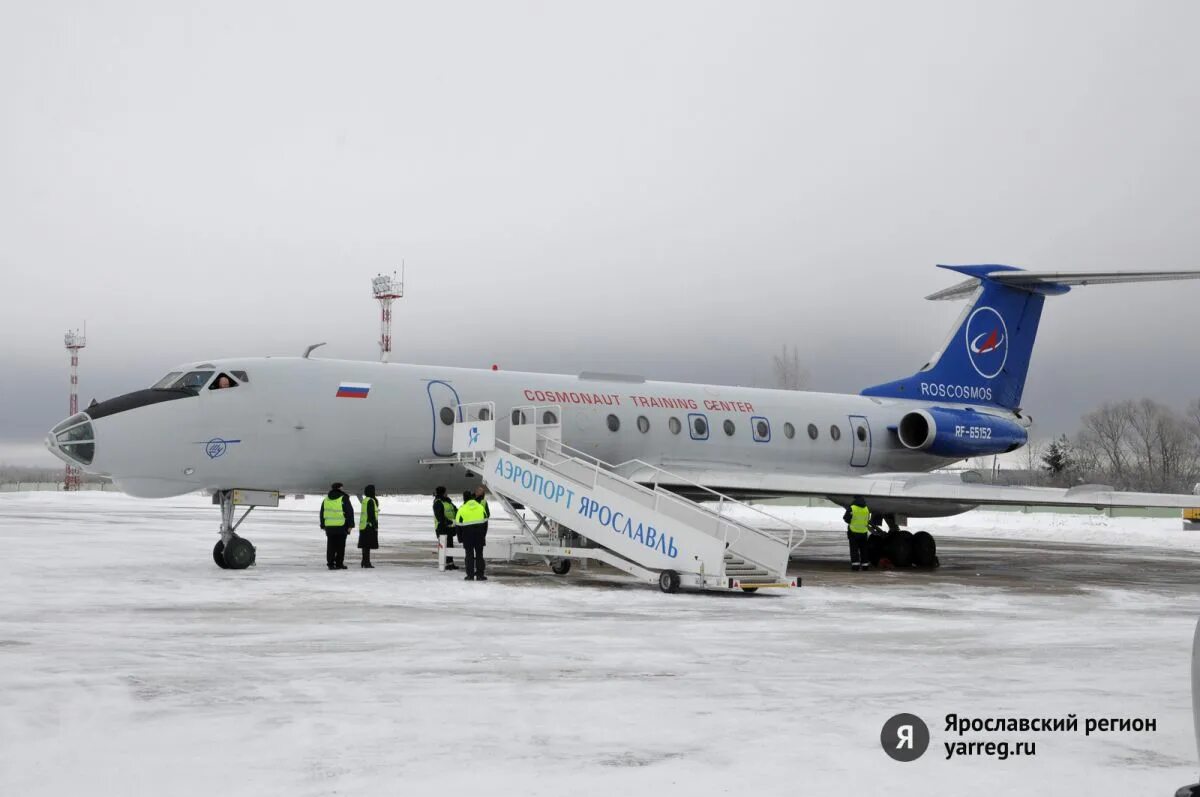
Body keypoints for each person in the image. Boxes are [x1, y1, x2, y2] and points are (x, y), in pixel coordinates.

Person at [319, 482, 354, 570]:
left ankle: (330, 564)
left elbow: (322, 512)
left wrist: (323, 525)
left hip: (329, 527)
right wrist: (350, 525)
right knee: (340, 546)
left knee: (330, 546)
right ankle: (339, 563)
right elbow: (349, 512)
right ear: (340, 488)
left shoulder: (326, 499)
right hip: (341, 526)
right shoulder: (344, 498)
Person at [455, 491, 488, 581]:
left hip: (467, 536)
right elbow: (485, 522)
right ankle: (480, 575)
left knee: (469, 555)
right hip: (479, 535)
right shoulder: (480, 507)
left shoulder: (461, 509)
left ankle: (470, 575)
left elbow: (458, 525)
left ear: (464, 498)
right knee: (479, 555)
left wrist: (460, 539)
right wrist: (483, 535)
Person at [842, 495, 872, 572]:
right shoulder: (866, 509)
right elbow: (868, 519)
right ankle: (865, 565)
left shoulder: (852, 508)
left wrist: (852, 522)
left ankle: (855, 565)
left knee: (854, 549)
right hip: (863, 531)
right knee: (864, 549)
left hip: (853, 531)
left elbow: (846, 518)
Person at [432, 486, 458, 571]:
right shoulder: (438, 503)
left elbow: (455, 510)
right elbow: (440, 517)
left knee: (450, 545)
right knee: (443, 546)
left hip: (449, 528)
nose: (447, 493)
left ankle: (450, 563)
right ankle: (443, 563)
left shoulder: (448, 502)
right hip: (442, 528)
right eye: (446, 492)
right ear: (443, 493)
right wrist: (450, 522)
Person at [358, 484, 379, 568]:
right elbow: (371, 515)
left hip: (363, 526)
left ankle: (364, 561)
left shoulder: (365, 500)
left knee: (364, 545)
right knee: (367, 545)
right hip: (369, 526)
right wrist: (375, 525)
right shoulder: (371, 500)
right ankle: (367, 562)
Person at [473, 485, 490, 580]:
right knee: (479, 553)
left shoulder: (471, 502)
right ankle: (480, 572)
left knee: (473, 553)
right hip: (481, 530)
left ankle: (474, 572)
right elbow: (487, 515)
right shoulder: (483, 502)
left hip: (472, 530)